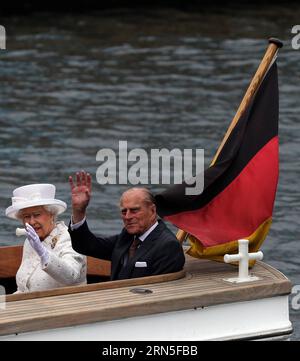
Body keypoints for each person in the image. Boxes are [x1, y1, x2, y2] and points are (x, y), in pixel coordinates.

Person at [68, 171, 185, 280]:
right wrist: (79, 211)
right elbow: (87, 246)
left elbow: (159, 292)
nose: (127, 217)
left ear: (153, 211)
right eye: (124, 211)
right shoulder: (128, 237)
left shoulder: (168, 246)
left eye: (134, 210)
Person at [5, 183, 87, 293]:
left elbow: (71, 276)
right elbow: (24, 289)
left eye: (37, 214)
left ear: (52, 214)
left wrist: (44, 254)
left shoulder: (71, 238)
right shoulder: (30, 241)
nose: (32, 222)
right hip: (31, 306)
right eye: (26, 216)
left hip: (66, 306)